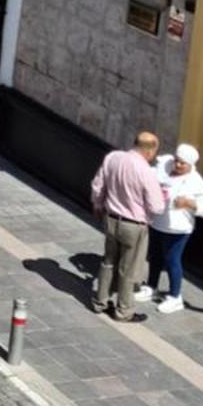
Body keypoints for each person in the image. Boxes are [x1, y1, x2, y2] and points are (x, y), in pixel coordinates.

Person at [90, 129, 160, 320]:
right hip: (134, 224)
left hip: (111, 218)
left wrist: (97, 205)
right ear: (149, 151)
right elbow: (157, 205)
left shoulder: (113, 158)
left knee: (108, 261)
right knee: (129, 268)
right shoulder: (146, 171)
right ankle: (124, 311)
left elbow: (98, 186)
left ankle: (100, 301)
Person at [140, 143, 203, 314]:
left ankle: (175, 296)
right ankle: (152, 286)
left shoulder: (197, 182)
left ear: (191, 165)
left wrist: (189, 203)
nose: (178, 165)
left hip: (178, 228)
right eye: (177, 161)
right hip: (158, 221)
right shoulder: (165, 167)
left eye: (183, 163)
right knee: (155, 256)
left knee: (172, 259)